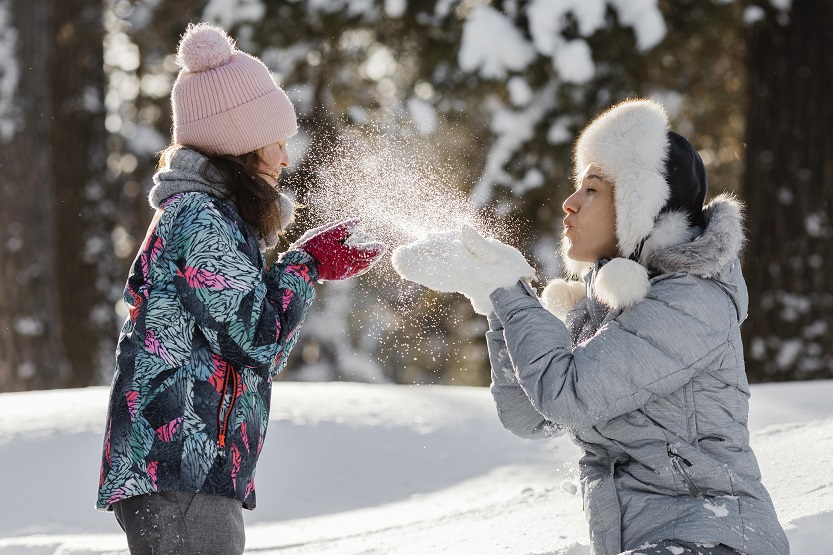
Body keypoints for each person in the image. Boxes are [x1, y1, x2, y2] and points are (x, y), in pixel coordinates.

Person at [392, 99, 789, 555]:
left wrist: (509, 292)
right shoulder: (606, 306)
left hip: (715, 538)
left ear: (642, 205)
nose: (570, 203)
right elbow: (530, 417)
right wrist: (496, 304)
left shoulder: (693, 302)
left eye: (594, 189)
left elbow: (566, 396)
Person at [96, 23, 385, 555]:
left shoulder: (214, 217)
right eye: (277, 142)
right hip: (178, 463)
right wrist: (308, 263)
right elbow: (256, 338)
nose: (285, 158)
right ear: (244, 145)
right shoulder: (200, 218)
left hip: (187, 466)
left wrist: (305, 263)